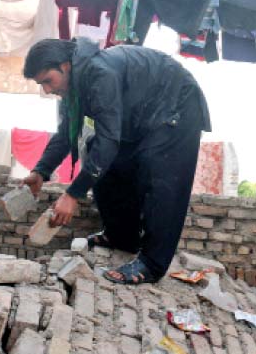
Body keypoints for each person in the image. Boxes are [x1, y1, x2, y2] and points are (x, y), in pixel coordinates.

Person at [20, 37, 211, 285]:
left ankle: (152, 264)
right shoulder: (73, 89)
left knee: (161, 176)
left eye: (48, 81)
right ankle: (122, 237)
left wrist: (73, 194)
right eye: (41, 84)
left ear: (65, 65)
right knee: (99, 154)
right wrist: (41, 171)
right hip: (142, 118)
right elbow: (67, 133)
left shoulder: (100, 73)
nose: (47, 90)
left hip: (177, 106)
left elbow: (108, 142)